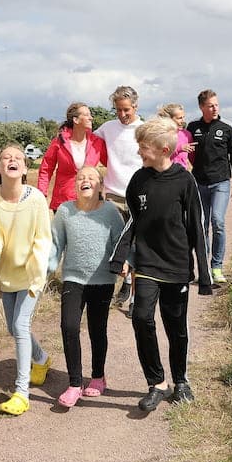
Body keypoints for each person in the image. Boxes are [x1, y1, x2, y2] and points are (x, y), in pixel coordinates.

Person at [112, 118, 212, 412]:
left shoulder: (184, 180)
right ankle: (156, 383)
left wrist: (203, 274)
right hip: (146, 263)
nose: (140, 151)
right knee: (142, 318)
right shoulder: (138, 180)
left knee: (176, 326)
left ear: (164, 149)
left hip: (177, 264)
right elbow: (132, 221)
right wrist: (121, 258)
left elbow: (196, 226)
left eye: (144, 146)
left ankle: (180, 382)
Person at [0, 144, 54, 416]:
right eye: (6, 158)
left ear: (24, 169)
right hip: (6, 273)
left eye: (18, 158)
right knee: (13, 328)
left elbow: (43, 238)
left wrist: (37, 270)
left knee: (21, 326)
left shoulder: (35, 198)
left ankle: (21, 393)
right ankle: (42, 359)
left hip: (31, 274)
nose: (12, 161)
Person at [47, 166, 124, 408]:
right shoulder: (65, 211)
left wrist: (124, 264)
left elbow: (121, 243)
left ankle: (98, 377)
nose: (85, 180)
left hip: (103, 281)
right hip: (73, 279)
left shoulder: (111, 211)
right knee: (69, 326)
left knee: (97, 330)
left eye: (91, 177)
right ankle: (74, 383)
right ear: (75, 185)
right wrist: (45, 270)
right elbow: (55, 244)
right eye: (81, 177)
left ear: (101, 186)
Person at [94, 85, 144, 310]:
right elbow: (87, 142)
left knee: (136, 245)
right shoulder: (107, 128)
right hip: (113, 194)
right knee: (114, 244)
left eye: (126, 110)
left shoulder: (144, 129)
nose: (122, 115)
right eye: (118, 110)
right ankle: (125, 280)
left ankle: (135, 297)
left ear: (135, 106)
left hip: (138, 195)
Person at [187, 89, 232, 284]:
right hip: (199, 183)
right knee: (202, 226)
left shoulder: (228, 127)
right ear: (202, 107)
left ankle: (217, 267)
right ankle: (204, 269)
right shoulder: (192, 127)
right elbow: (184, 152)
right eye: (210, 105)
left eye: (217, 104)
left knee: (218, 221)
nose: (215, 108)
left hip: (221, 182)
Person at [36, 102, 107, 211]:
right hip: (64, 202)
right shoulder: (58, 142)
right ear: (76, 120)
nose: (91, 118)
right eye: (87, 115)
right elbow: (46, 169)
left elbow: (111, 164)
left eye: (90, 115)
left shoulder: (97, 143)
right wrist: (41, 194)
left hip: (90, 200)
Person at [157, 103, 195, 169]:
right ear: (170, 119)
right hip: (165, 174)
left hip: (182, 174)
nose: (183, 121)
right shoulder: (162, 134)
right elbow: (159, 156)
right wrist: (179, 149)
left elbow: (192, 158)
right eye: (179, 118)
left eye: (183, 117)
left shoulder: (187, 134)